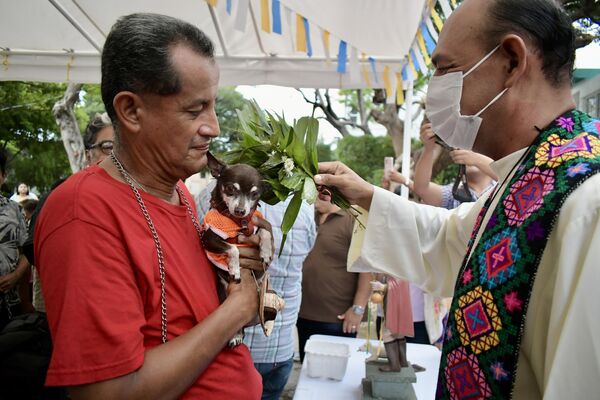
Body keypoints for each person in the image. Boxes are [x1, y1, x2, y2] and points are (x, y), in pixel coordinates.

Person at [314, 0, 600, 398]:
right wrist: (366, 195)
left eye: (445, 69)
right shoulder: (528, 174)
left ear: (512, 62)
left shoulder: (590, 200)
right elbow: (452, 237)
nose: (434, 89)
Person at [35, 13, 270, 399]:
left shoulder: (179, 192)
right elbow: (107, 392)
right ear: (130, 111)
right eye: (195, 110)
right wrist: (237, 310)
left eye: (212, 106)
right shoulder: (85, 212)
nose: (213, 126)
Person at [296, 194, 371, 362]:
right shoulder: (306, 216)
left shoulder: (354, 219)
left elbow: (367, 269)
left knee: (334, 376)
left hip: (337, 319)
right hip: (302, 314)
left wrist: (358, 308)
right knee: (308, 374)